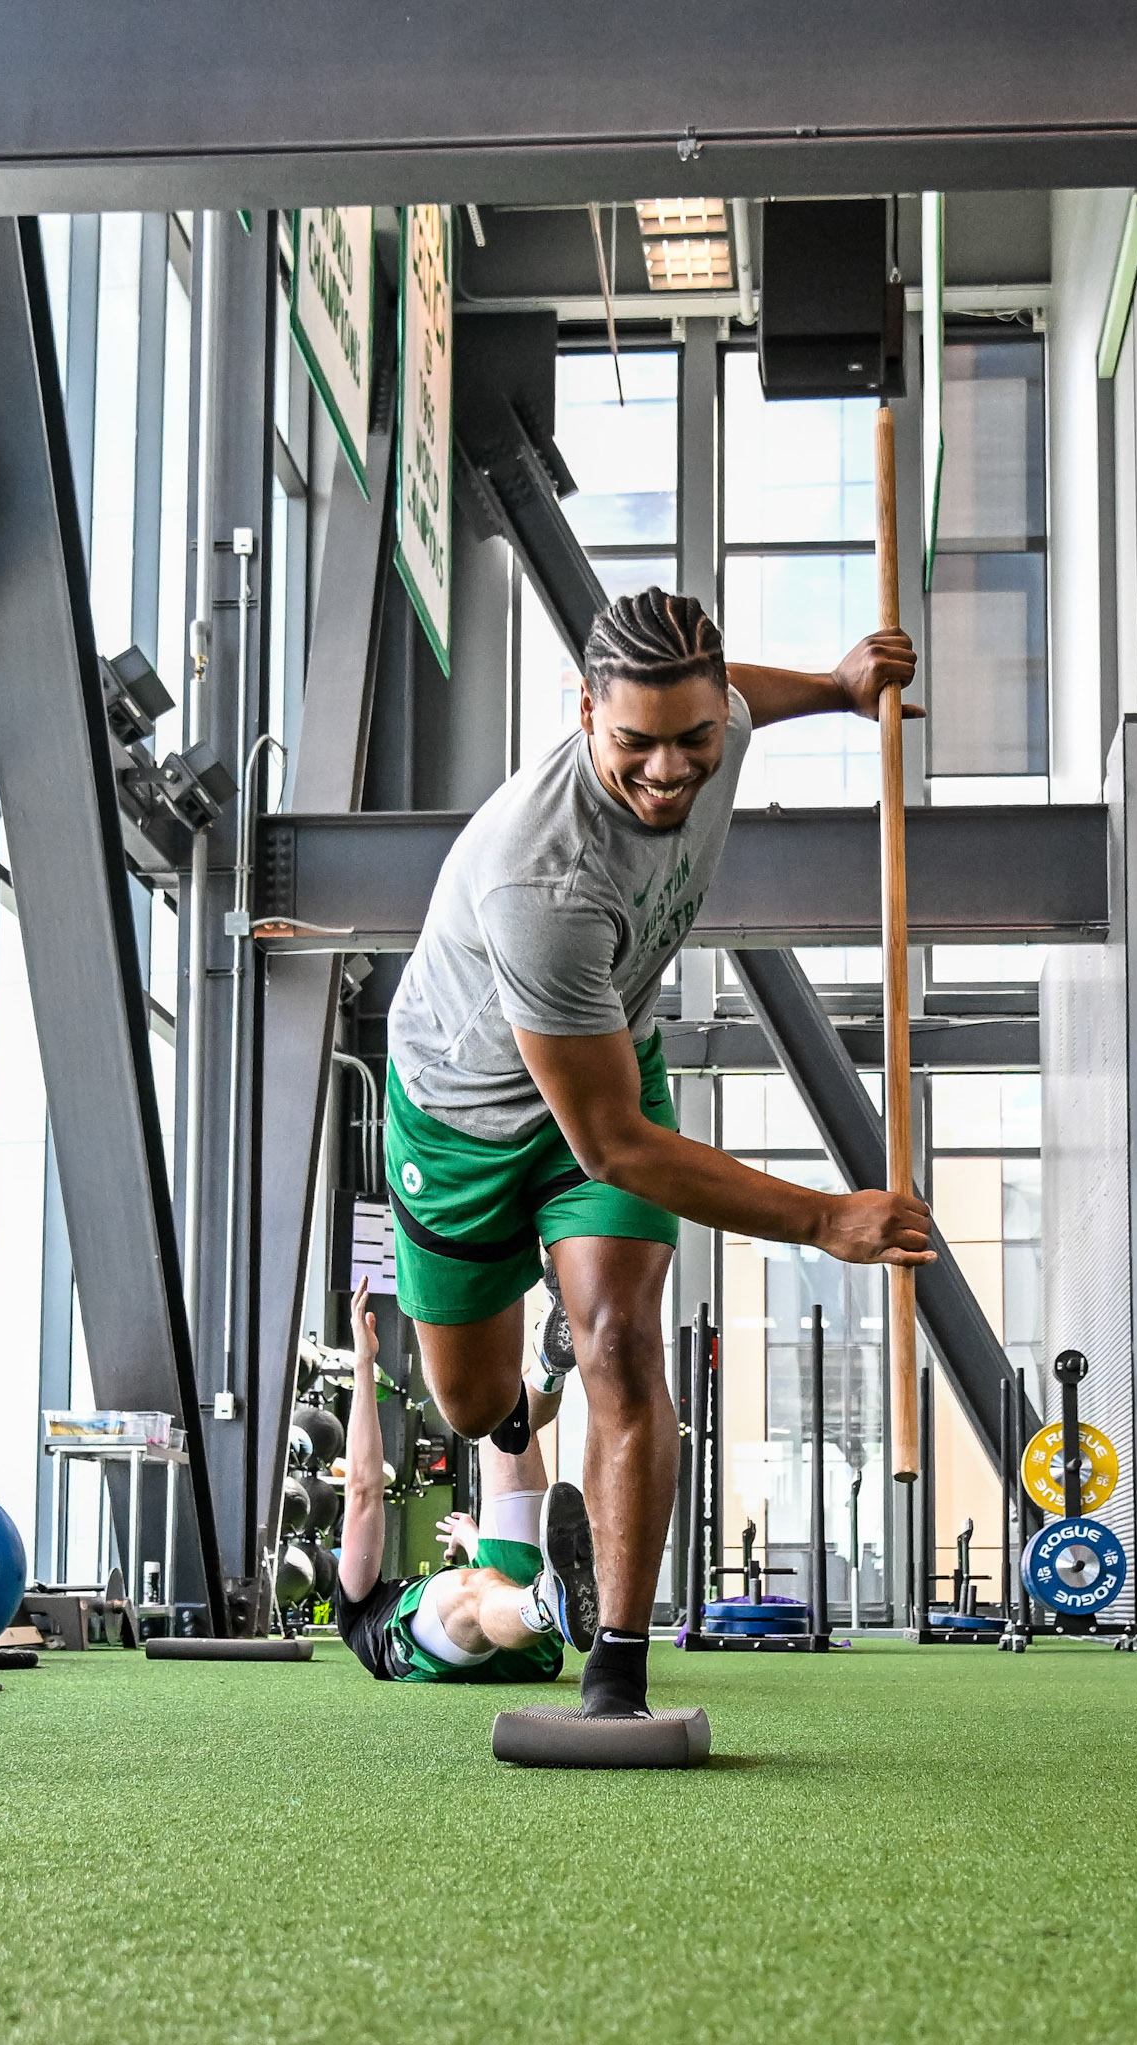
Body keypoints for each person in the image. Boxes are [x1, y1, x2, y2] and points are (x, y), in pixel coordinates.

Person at [384, 588, 936, 1718]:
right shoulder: (541, 879)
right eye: (636, 742)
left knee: (626, 1346)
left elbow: (745, 699)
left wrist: (835, 688)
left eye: (696, 739)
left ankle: (616, 1670)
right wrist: (826, 1218)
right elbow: (617, 1145)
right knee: (468, 1398)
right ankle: (524, 1394)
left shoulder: (711, 728)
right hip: (468, 1118)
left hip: (608, 1062)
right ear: (585, 710)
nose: (672, 772)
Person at [334, 1278, 596, 1683]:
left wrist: (474, 1541)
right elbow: (364, 1491)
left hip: (527, 1640)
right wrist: (363, 1365)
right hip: (474, 1638)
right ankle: (547, 1602)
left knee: (501, 1425)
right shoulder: (364, 1615)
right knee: (475, 1587)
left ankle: (548, 1365)